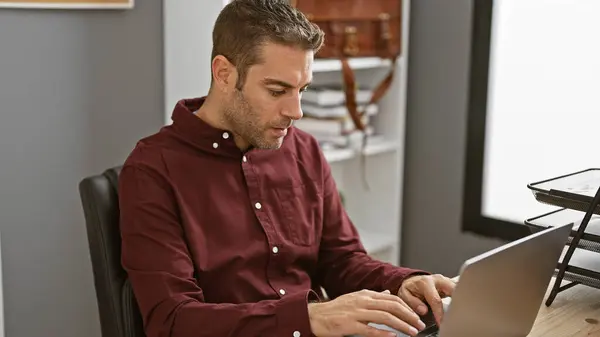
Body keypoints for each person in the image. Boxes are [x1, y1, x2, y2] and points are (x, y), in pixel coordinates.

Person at [118, 0, 455, 336]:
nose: (296, 111)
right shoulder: (153, 170)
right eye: (277, 90)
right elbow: (173, 322)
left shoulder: (303, 148)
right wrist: (307, 319)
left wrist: (402, 283)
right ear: (224, 73)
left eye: (302, 90)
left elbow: (341, 259)